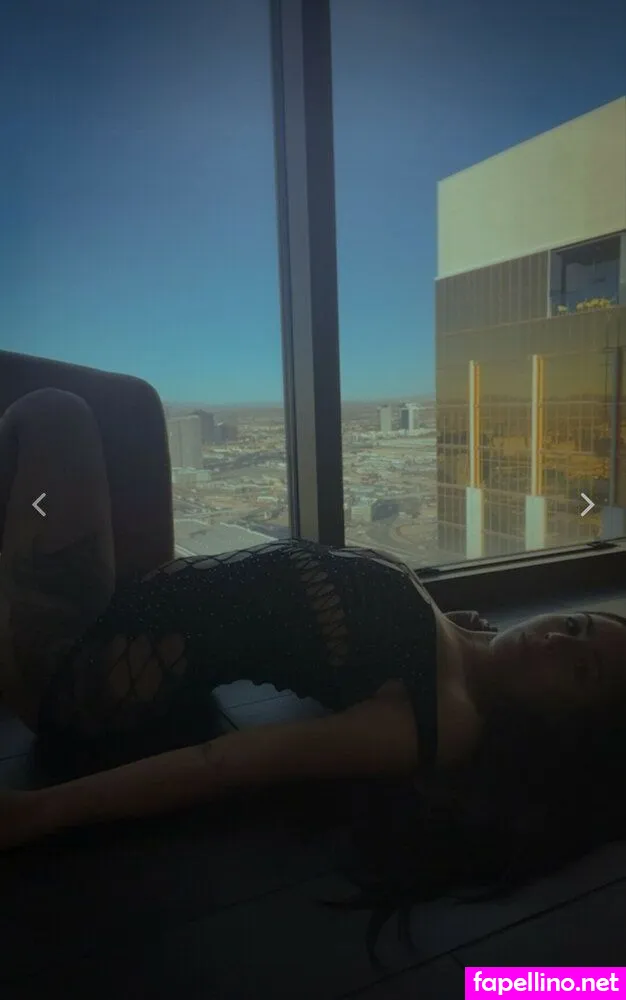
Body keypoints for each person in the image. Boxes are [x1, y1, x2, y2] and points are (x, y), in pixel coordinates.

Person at [2, 387, 626, 963]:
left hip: (79, 675)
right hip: (128, 613)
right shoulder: (467, 645)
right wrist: (458, 624)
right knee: (119, 410)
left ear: (562, 726)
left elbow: (227, 763)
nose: (553, 641)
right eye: (574, 626)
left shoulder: (444, 717)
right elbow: (385, 632)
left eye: (579, 669)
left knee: (55, 413)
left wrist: (39, 813)